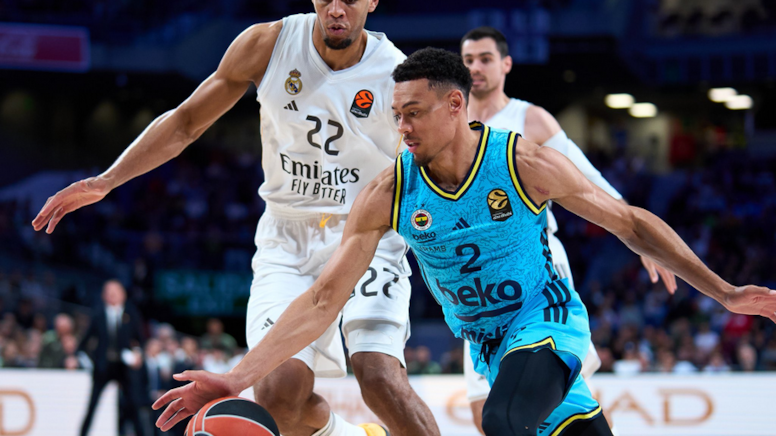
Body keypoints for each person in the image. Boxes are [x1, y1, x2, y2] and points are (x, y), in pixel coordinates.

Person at [151, 48, 776, 435]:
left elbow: (630, 223)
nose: (402, 126)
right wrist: (236, 377)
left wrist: (723, 292)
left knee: (501, 422)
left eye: (414, 112)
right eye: (396, 114)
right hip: (488, 345)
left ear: (456, 106)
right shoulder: (388, 192)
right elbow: (322, 300)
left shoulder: (522, 161)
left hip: (545, 319)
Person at [31, 1, 438, 435]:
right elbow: (186, 122)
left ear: (372, 1)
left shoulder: (397, 75)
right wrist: (107, 180)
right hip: (287, 236)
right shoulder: (268, 44)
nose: (337, 8)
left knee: (378, 375)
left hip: (363, 233)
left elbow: (425, 172)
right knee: (278, 397)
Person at [458, 26, 677, 434]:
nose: (476, 68)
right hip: (475, 283)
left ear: (506, 64)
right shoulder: (452, 124)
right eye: (468, 60)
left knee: (562, 390)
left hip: (536, 266)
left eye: (485, 59)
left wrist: (636, 235)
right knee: (483, 411)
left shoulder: (529, 119)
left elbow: (587, 179)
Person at [78, 280, 146, 436]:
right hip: (103, 367)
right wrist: (89, 362)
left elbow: (140, 340)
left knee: (133, 405)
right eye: (109, 292)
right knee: (92, 405)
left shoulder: (131, 313)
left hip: (124, 367)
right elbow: (84, 343)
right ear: (104, 296)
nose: (112, 295)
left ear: (123, 295)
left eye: (116, 292)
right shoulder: (98, 315)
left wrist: (137, 354)